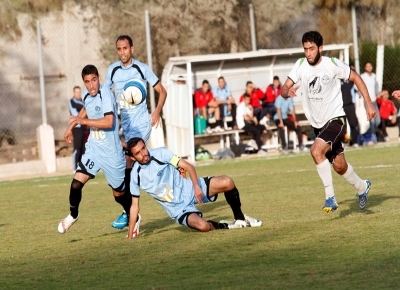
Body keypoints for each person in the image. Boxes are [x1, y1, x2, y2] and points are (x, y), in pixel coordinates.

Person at [281, 31, 376, 213]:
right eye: (305, 49)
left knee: (316, 151)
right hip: (318, 125)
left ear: (320, 48)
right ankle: (363, 187)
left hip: (336, 120)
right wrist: (288, 91)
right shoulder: (300, 65)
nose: (308, 53)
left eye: (311, 49)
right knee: (339, 166)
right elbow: (284, 89)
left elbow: (355, 77)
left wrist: (369, 104)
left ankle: (330, 198)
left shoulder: (332, 65)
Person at [125, 137, 262, 239]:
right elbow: (134, 207)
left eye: (143, 148)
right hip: (179, 209)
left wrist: (196, 187)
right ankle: (226, 225)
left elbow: (188, 167)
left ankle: (240, 218)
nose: (144, 154)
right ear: (132, 157)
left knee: (227, 182)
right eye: (138, 153)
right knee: (203, 227)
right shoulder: (136, 176)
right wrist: (130, 235)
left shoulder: (161, 154)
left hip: (190, 189)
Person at [58, 65, 138, 235]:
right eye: (87, 82)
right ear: (84, 82)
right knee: (75, 184)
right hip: (94, 149)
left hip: (112, 153)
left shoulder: (106, 94)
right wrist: (71, 127)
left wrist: (83, 122)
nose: (91, 85)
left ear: (98, 78)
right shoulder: (87, 94)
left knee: (119, 195)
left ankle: (134, 216)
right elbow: (85, 109)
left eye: (94, 80)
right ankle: (73, 215)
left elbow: (109, 122)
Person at [104, 35, 167, 230]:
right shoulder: (112, 71)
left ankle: (131, 211)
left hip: (141, 124)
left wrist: (156, 111)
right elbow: (104, 95)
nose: (122, 52)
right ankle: (165, 176)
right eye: (119, 49)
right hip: (126, 127)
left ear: (132, 48)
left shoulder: (141, 68)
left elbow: (162, 91)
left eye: (125, 48)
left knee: (129, 160)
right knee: (129, 165)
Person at [360, 62, 381, 143]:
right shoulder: (363, 76)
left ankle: (369, 133)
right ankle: (373, 137)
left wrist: (378, 94)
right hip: (367, 101)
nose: (369, 67)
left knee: (377, 120)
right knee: (371, 120)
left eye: (370, 66)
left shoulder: (374, 76)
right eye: (367, 66)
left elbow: (376, 89)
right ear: (365, 68)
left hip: (374, 101)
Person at [68, 86, 87, 171]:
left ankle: (82, 166)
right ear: (74, 93)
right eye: (76, 92)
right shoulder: (72, 102)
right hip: (76, 127)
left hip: (83, 127)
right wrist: (86, 106)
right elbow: (79, 112)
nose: (78, 94)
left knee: (84, 147)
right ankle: (74, 167)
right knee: (77, 148)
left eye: (79, 92)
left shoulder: (82, 101)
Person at [340, 66, 359, 147]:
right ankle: (344, 142)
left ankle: (355, 142)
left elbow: (356, 76)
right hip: (340, 106)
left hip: (350, 105)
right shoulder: (338, 79)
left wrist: (352, 70)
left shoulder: (350, 80)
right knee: (341, 126)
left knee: (353, 124)